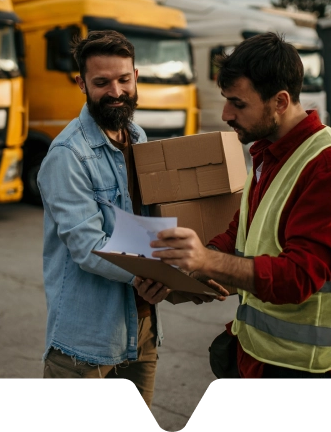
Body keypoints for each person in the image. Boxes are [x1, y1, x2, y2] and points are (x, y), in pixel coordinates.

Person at [150, 32, 331, 381]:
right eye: (226, 100)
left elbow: (299, 276)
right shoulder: (269, 152)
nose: (226, 113)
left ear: (280, 102)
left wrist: (207, 260)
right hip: (255, 354)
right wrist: (185, 269)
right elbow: (241, 236)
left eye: (238, 104)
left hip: (304, 368)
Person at [38, 30, 212, 405]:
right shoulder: (68, 155)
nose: (116, 92)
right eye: (101, 82)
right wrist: (150, 274)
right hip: (86, 339)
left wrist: (183, 265)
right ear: (81, 83)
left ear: (136, 75)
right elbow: (88, 246)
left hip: (141, 327)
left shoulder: (138, 136)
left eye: (124, 79)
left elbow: (147, 224)